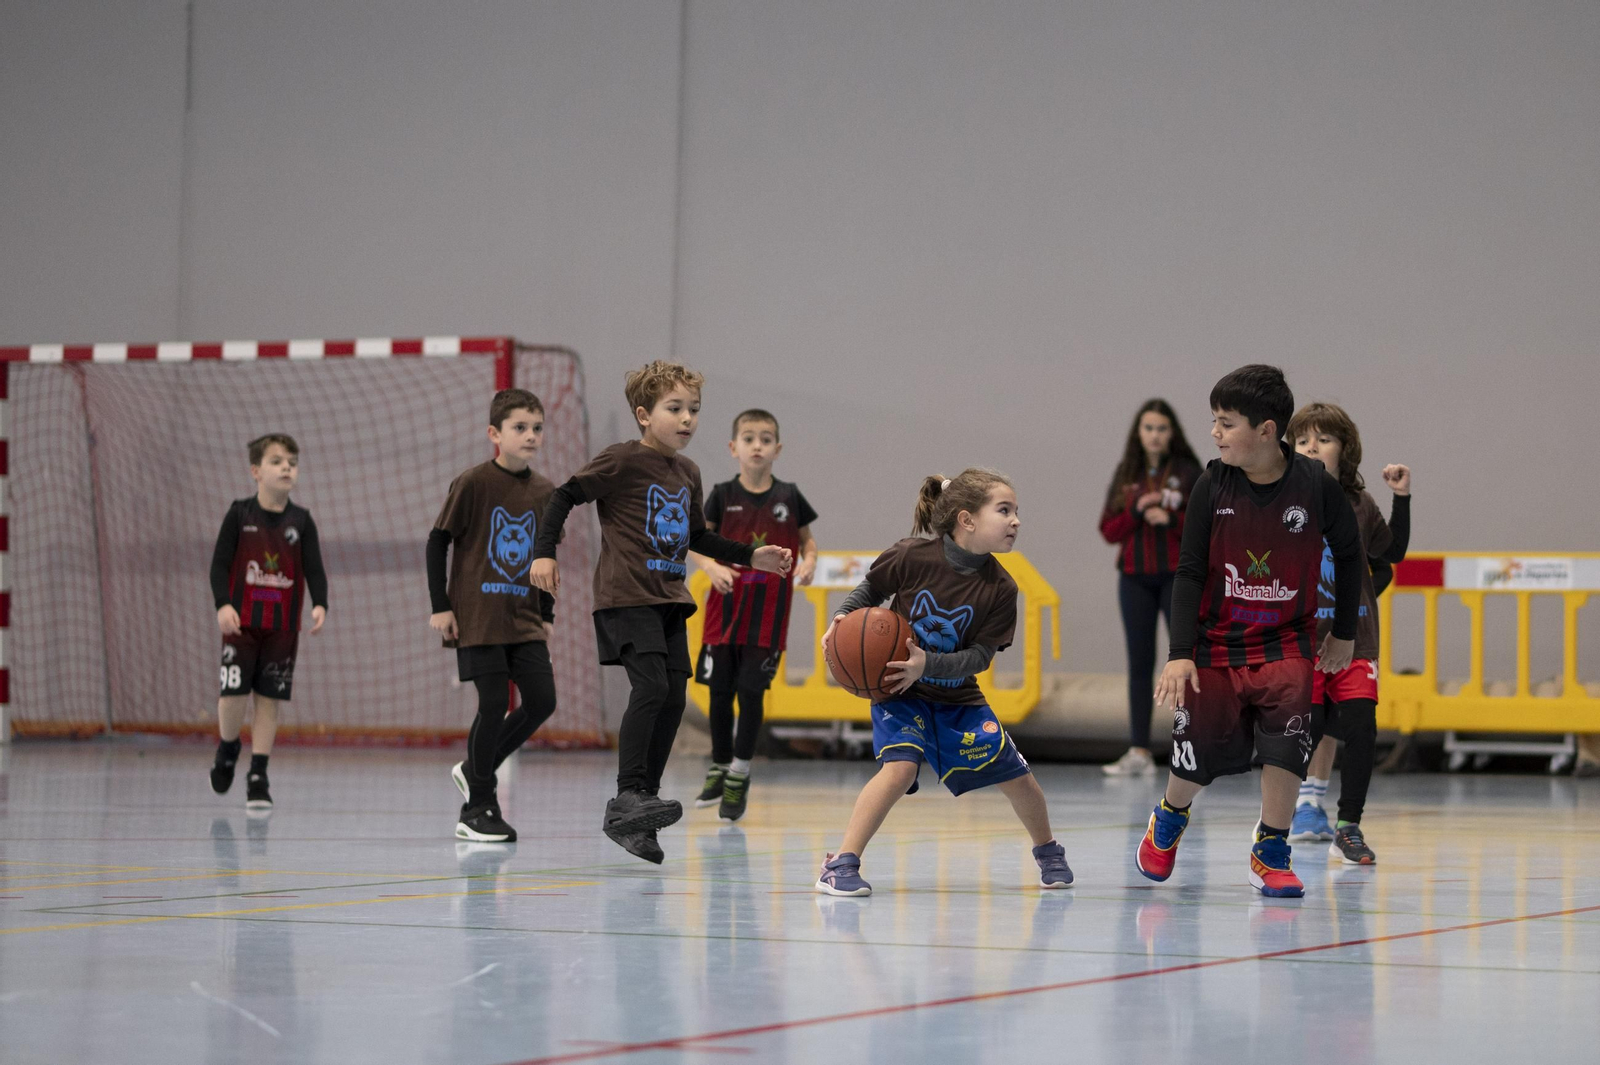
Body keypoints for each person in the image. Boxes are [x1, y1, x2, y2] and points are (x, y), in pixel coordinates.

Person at [531, 362, 793, 863]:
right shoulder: (623, 460)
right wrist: (545, 550)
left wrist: (750, 556)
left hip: (669, 599)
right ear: (644, 415)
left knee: (673, 698)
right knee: (651, 687)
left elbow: (697, 536)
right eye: (675, 409)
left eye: (694, 410)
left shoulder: (688, 472)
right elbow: (565, 494)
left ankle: (640, 810)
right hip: (626, 596)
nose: (687, 419)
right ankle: (628, 794)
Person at [1138, 365, 1363, 898]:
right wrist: (1180, 653)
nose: (1214, 432)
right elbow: (1189, 570)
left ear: (1266, 430)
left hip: (1289, 641)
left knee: (1288, 747)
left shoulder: (1315, 487)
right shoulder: (1211, 483)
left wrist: (1345, 633)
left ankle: (1271, 849)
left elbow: (1352, 557)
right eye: (1213, 421)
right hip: (1217, 645)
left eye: (1226, 422)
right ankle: (1170, 814)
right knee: (1196, 756)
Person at [813, 469, 1074, 897]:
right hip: (900, 691)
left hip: (959, 698)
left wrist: (927, 662)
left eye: (1016, 511)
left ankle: (1048, 849)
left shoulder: (1002, 588)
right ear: (967, 519)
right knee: (898, 770)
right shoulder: (912, 556)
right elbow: (869, 590)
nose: (1016, 521)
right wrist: (842, 620)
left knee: (1018, 778)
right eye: (1004, 510)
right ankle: (841, 863)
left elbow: (979, 658)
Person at [427, 388, 560, 843]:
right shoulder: (473, 483)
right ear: (494, 434)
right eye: (520, 427)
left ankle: (473, 770)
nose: (530, 436)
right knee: (492, 703)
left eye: (537, 428)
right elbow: (437, 542)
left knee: (542, 700)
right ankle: (479, 806)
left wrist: (548, 613)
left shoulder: (546, 493)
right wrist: (440, 605)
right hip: (478, 616)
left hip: (524, 618)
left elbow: (544, 557)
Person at [1288, 403, 1411, 864]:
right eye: (1302, 440)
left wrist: (1403, 497)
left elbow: (1392, 551)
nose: (1312, 447)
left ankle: (1349, 825)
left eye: (1324, 439)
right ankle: (1286, 816)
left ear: (1345, 449)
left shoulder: (1359, 504)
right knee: (1304, 730)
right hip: (1302, 645)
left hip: (1356, 640)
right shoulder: (1282, 503)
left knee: (1361, 726)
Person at [688, 409, 818, 821]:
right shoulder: (722, 495)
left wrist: (810, 562)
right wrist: (711, 566)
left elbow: (808, 543)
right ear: (733, 448)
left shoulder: (790, 496)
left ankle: (740, 774)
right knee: (719, 693)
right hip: (722, 611)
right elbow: (693, 542)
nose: (757, 445)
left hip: (768, 614)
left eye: (765, 438)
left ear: (777, 448)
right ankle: (719, 764)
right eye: (748, 438)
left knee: (751, 692)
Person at [208, 433, 328, 811]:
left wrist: (320, 603)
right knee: (233, 696)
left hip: (282, 628)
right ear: (256, 472)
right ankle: (228, 747)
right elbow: (218, 565)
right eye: (277, 461)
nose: (287, 467)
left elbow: (315, 569)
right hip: (241, 625)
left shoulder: (301, 521)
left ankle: (258, 773)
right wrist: (223, 605)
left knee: (270, 699)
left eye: (292, 461)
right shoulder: (239, 514)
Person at [1099, 399, 1203, 776]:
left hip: (1178, 577)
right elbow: (1108, 529)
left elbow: (1205, 528)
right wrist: (1138, 511)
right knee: (1140, 664)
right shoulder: (1128, 473)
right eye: (1148, 428)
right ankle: (1139, 751)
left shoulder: (1190, 473)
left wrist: (1171, 518)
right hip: (1134, 578)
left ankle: (1192, 747)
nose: (1155, 435)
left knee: (1185, 661)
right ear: (1138, 433)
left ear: (1171, 432)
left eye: (1161, 428)